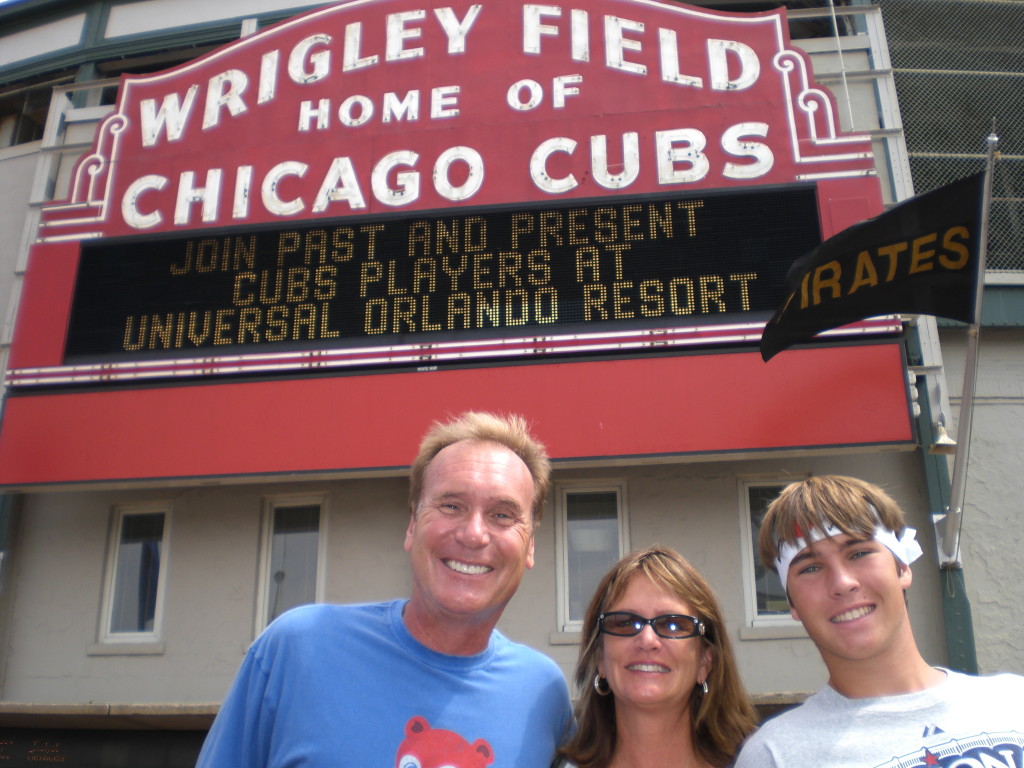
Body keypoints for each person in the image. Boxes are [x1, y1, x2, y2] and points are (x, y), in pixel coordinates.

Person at [196, 411, 572, 768]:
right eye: (451, 505)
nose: (474, 533)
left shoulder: (543, 695)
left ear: (530, 546)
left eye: (502, 515)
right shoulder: (297, 649)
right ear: (412, 525)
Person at [735, 474, 1024, 767]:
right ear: (792, 604)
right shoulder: (775, 754)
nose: (842, 582)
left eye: (859, 553)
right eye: (810, 568)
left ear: (902, 568)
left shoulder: (1013, 701)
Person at [555, 545, 758, 768]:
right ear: (599, 658)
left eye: (672, 624)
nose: (647, 640)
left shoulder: (759, 761)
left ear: (705, 661)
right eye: (624, 623)